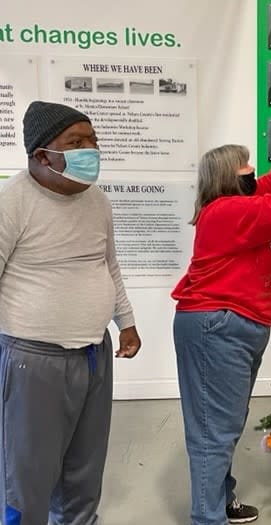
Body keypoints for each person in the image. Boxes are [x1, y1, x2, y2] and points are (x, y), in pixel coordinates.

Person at [171, 129, 271, 525]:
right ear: (228, 176)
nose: (252, 168)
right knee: (213, 431)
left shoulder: (236, 204)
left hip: (231, 326)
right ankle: (207, 517)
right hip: (216, 327)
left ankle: (219, 501)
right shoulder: (224, 211)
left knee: (223, 425)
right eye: (244, 164)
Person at [0, 101, 141, 525]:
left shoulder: (96, 200)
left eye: (92, 139)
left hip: (94, 354)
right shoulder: (12, 201)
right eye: (76, 142)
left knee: (84, 471)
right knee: (27, 478)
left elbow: (108, 266)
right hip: (33, 360)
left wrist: (126, 322)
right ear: (42, 156)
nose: (91, 149)